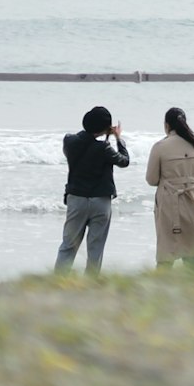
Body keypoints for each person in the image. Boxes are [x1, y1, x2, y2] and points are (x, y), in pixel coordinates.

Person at [55, 103, 130, 272]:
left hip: (76, 198)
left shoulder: (69, 141)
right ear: (105, 128)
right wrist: (117, 137)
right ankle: (91, 285)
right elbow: (124, 161)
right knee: (95, 249)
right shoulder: (104, 148)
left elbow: (84, 142)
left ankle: (58, 281)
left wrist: (103, 134)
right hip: (100, 201)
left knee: (68, 245)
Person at [148, 106, 194, 266]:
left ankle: (159, 289)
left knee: (166, 254)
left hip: (168, 204)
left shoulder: (160, 147)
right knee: (193, 256)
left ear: (167, 125)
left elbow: (151, 179)